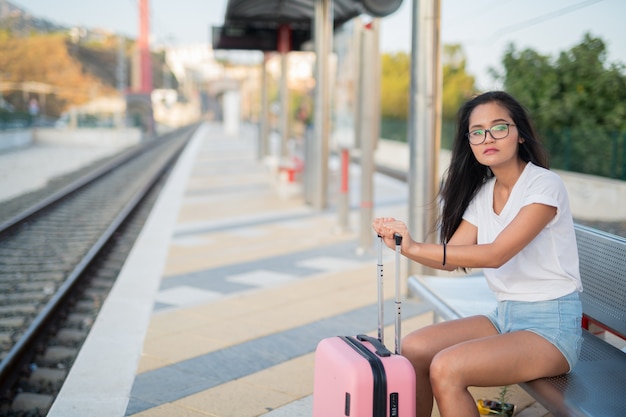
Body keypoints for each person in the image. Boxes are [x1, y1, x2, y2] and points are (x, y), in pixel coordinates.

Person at [372, 91, 583, 417]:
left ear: (520, 134)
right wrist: (401, 243)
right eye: (477, 131)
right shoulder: (485, 193)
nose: (488, 138)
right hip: (504, 317)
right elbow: (452, 257)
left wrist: (413, 246)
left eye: (499, 127)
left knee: (447, 367)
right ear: (469, 142)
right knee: (414, 347)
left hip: (550, 328)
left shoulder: (544, 186)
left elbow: (497, 254)